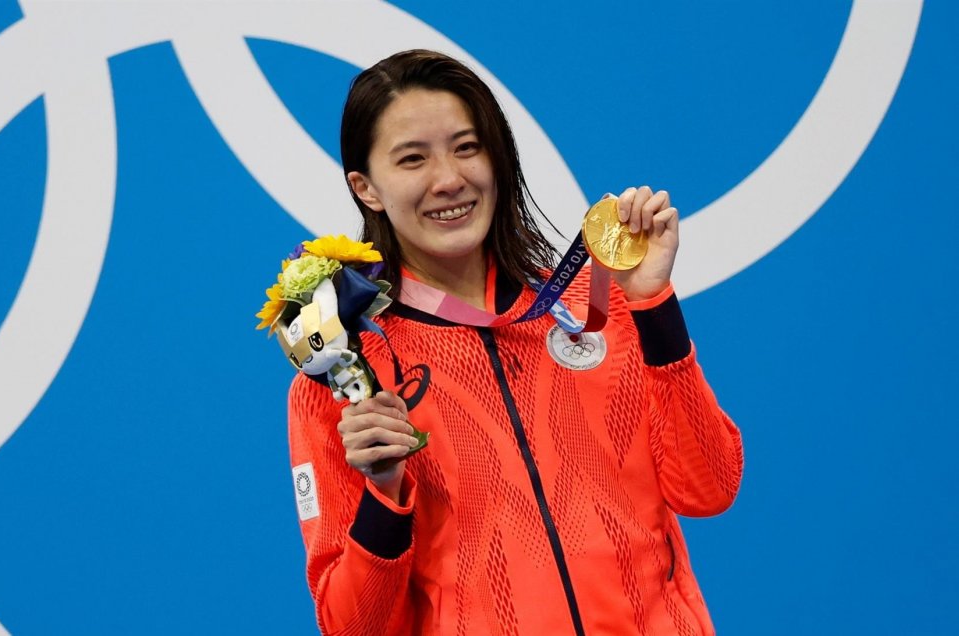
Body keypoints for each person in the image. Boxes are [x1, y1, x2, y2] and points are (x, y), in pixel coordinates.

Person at [287, 49, 743, 635]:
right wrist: (385, 493)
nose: (449, 178)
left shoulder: (596, 307)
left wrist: (653, 305)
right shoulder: (345, 375)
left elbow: (709, 487)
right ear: (366, 188)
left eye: (467, 147)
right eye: (412, 159)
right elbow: (352, 627)